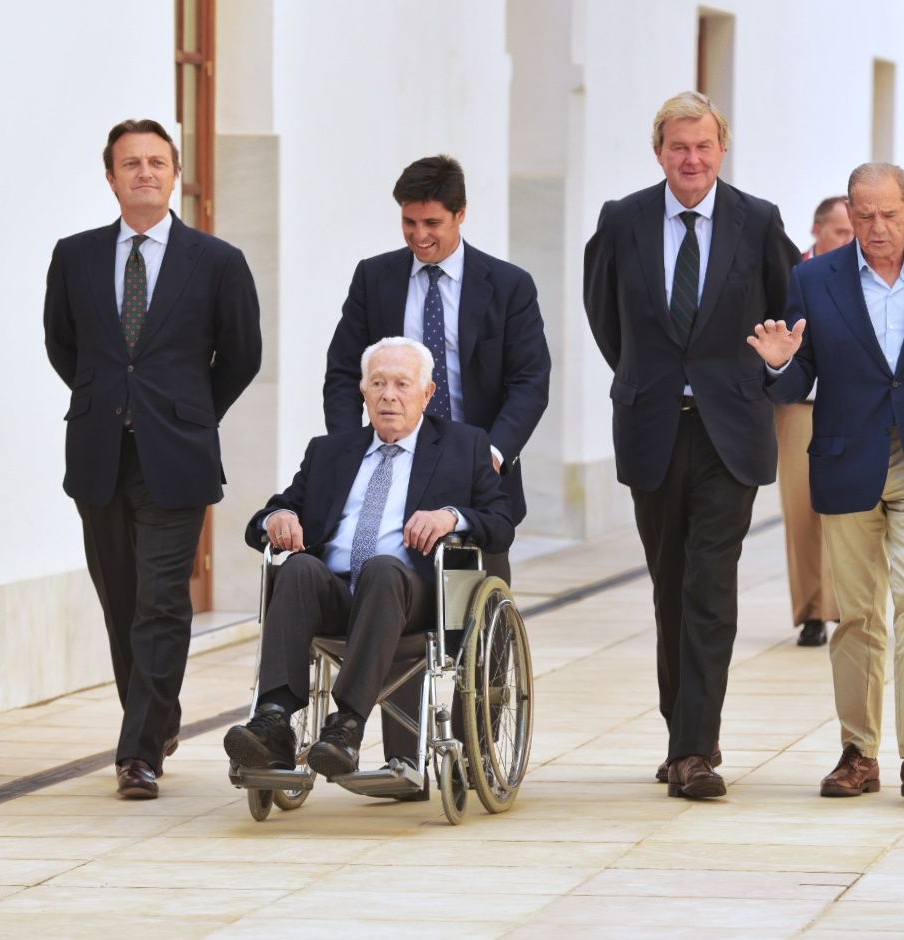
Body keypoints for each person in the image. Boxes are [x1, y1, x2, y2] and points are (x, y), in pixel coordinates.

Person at [583, 91, 800, 800]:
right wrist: (645, 378)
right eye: (679, 146)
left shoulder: (757, 221)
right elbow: (604, 315)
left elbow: (788, 312)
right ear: (659, 152)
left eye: (704, 146)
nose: (692, 159)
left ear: (722, 149)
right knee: (669, 585)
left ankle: (695, 750)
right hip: (653, 425)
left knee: (710, 585)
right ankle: (683, 731)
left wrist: (765, 373)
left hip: (728, 431)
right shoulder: (622, 221)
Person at [751, 162, 904, 802]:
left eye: (889, 213)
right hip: (846, 460)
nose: (877, 227)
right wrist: (779, 366)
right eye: (864, 216)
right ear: (848, 216)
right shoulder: (814, 278)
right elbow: (798, 381)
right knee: (856, 615)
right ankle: (858, 752)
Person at [44, 119, 262, 799]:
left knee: (162, 603)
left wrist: (187, 413)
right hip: (99, 454)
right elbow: (63, 346)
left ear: (175, 175)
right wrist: (109, 402)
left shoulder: (217, 261)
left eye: (157, 162)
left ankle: (137, 753)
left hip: (177, 456)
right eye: (131, 163)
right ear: (111, 178)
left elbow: (242, 355)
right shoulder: (75, 256)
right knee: (121, 602)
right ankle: (156, 716)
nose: (144, 172)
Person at [224, 338, 513, 777]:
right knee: (298, 567)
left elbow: (501, 523)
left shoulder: (464, 446)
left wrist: (451, 517)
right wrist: (278, 518)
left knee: (382, 569)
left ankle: (347, 725)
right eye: (377, 383)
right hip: (338, 594)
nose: (388, 395)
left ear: (427, 393)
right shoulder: (329, 451)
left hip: (410, 596)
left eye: (401, 384)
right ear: (363, 391)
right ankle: (273, 720)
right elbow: (266, 517)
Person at [322, 155, 549, 585]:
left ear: (460, 214)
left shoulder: (509, 286)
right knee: (382, 582)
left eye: (432, 223)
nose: (419, 235)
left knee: (478, 597)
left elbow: (530, 382)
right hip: (392, 462)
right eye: (408, 222)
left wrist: (492, 455)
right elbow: (343, 373)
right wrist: (348, 450)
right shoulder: (374, 278)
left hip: (475, 466)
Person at [781, 196, 853, 648]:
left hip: (852, 406)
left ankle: (845, 603)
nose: (848, 240)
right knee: (801, 509)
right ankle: (811, 611)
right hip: (800, 407)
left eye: (852, 232)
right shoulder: (792, 273)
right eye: (840, 232)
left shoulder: (862, 273)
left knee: (850, 509)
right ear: (817, 230)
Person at [803, 196, 855, 261]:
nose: (851, 241)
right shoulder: (793, 266)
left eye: (856, 234)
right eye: (841, 233)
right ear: (817, 231)